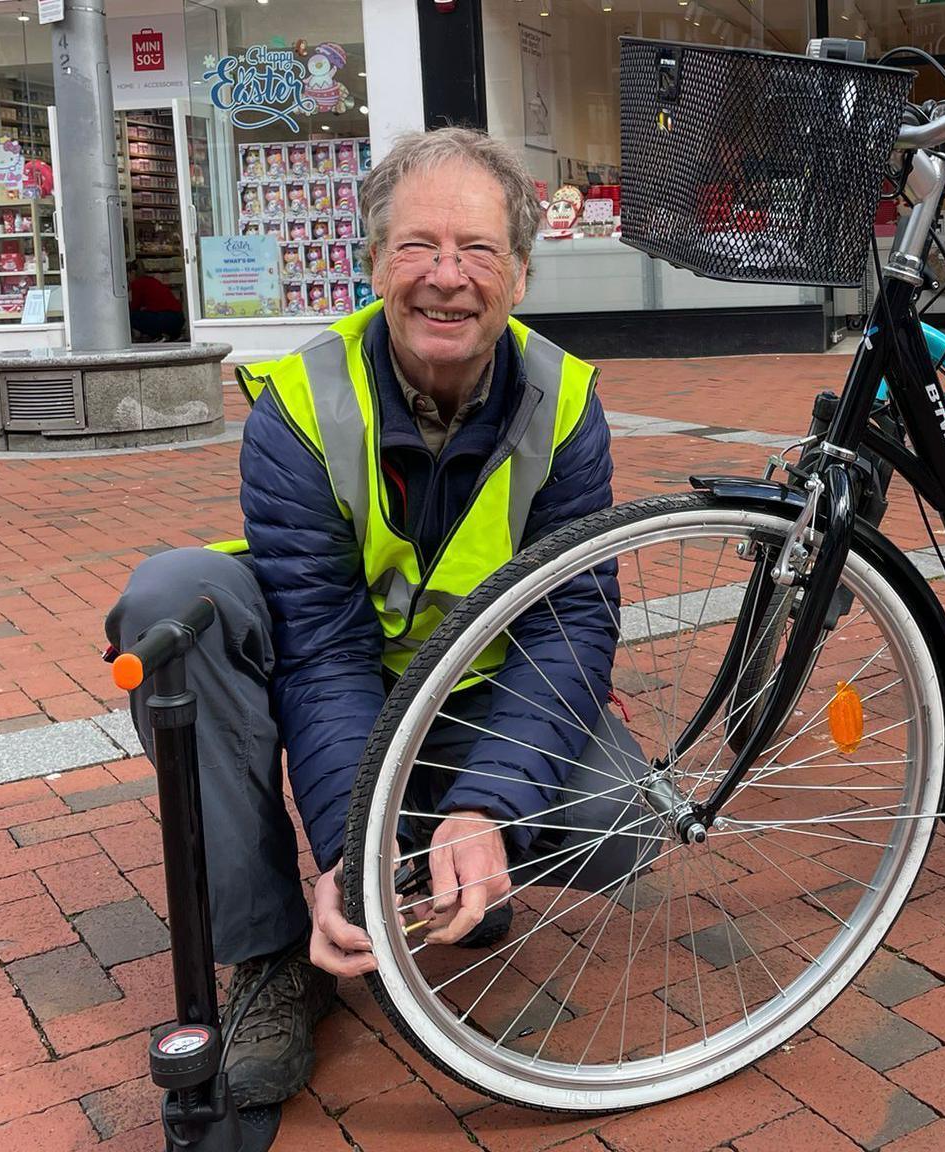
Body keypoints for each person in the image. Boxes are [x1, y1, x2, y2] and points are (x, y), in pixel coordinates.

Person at [105, 127, 622, 1109]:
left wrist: (489, 809)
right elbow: (323, 641)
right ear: (372, 260)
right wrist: (350, 841)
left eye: (476, 251)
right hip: (335, 670)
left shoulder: (565, 404)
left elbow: (570, 622)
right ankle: (268, 956)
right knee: (175, 605)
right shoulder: (299, 404)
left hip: (467, 695)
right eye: (417, 246)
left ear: (518, 274)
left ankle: (449, 855)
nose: (445, 278)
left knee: (613, 816)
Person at [127, 263, 185, 342]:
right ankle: (175, 336)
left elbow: (134, 307)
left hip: (166, 318)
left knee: (131, 316)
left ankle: (157, 336)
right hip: (179, 318)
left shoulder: (137, 283)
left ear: (132, 273)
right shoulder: (152, 281)